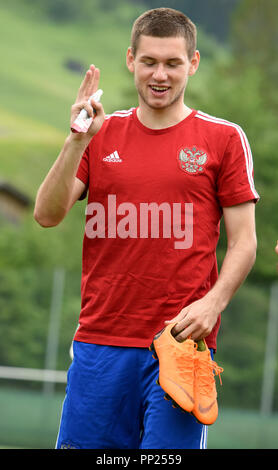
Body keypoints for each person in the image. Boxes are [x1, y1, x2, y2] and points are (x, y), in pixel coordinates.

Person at [34, 8, 259, 450]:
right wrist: (75, 140)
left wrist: (213, 304)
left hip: (180, 344)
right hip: (101, 342)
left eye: (172, 63)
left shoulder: (224, 138)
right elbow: (46, 214)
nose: (160, 75)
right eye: (149, 61)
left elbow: (245, 242)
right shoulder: (100, 133)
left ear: (192, 63)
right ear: (130, 60)